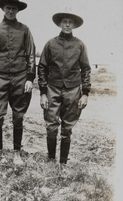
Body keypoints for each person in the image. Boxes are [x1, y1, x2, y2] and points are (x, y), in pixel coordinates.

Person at [0, 0, 36, 166]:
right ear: (3, 9)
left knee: (18, 117)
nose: (10, 11)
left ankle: (17, 152)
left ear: (18, 10)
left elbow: (30, 54)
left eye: (14, 8)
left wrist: (30, 77)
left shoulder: (25, 30)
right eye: (8, 8)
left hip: (21, 78)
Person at [38, 12, 91, 164]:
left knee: (67, 128)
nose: (67, 24)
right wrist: (43, 93)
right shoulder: (50, 44)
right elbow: (42, 68)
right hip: (52, 89)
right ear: (59, 24)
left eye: (70, 22)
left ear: (74, 25)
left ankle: (63, 163)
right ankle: (51, 160)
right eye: (64, 22)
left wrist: (85, 93)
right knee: (51, 126)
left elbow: (86, 69)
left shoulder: (79, 45)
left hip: (73, 90)